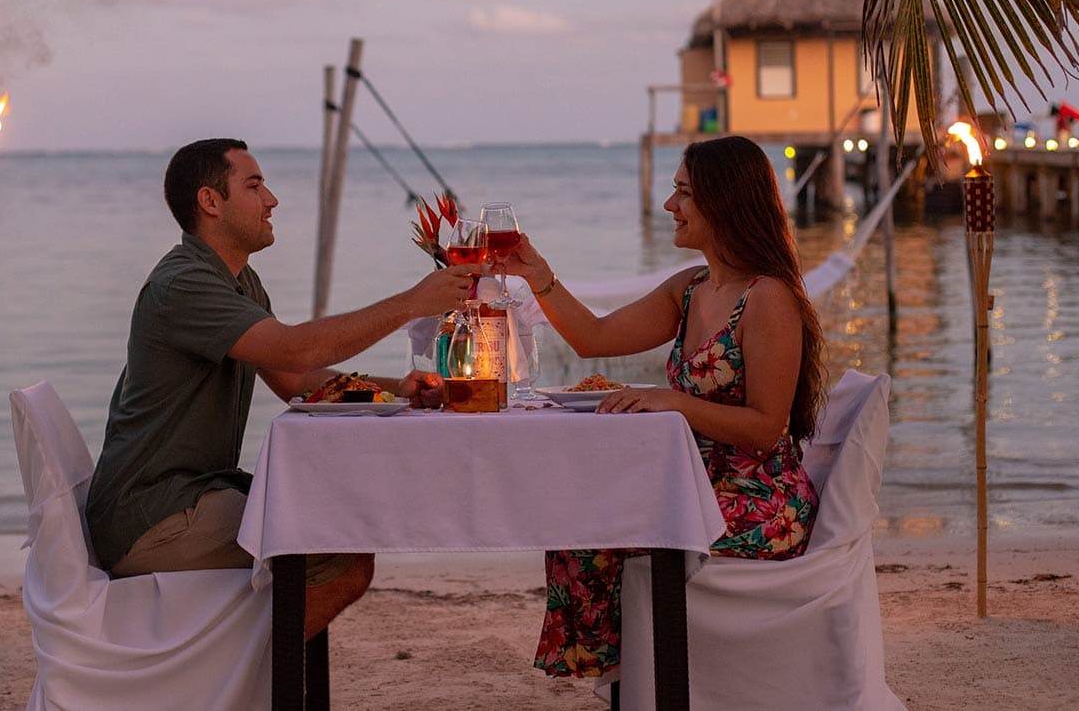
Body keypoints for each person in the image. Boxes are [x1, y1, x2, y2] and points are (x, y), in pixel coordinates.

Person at [84, 138, 482, 639]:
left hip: (193, 494)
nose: (272, 200)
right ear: (211, 202)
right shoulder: (184, 285)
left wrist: (398, 387)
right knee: (336, 544)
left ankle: (245, 680)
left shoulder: (238, 279)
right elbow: (297, 350)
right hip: (153, 517)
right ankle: (236, 684)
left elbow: (294, 380)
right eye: (254, 186)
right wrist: (411, 304)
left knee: (334, 520)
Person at [504, 135, 827, 678]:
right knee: (575, 516)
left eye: (683, 193)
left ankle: (638, 678)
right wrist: (538, 274)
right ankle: (627, 678)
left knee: (598, 529)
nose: (669, 206)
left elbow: (768, 429)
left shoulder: (768, 297)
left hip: (759, 501)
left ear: (723, 203)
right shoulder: (691, 289)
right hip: (692, 487)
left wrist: (670, 403)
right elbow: (593, 337)